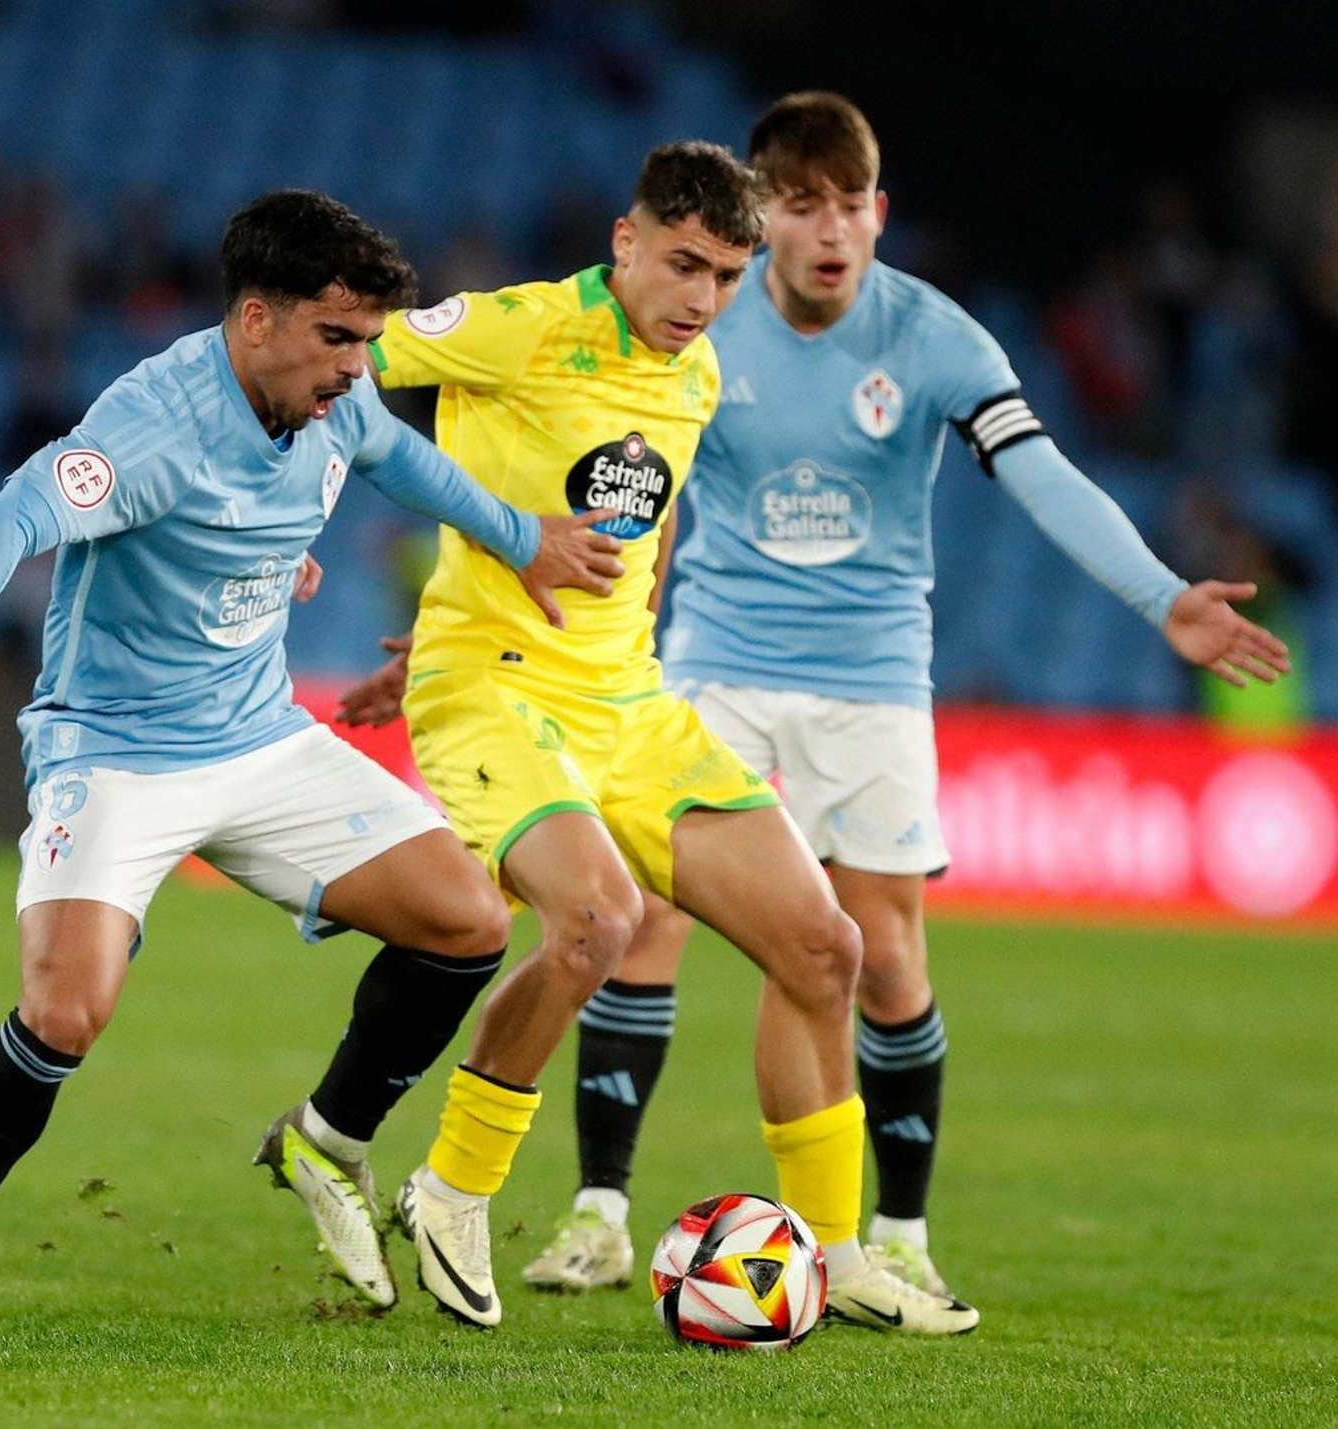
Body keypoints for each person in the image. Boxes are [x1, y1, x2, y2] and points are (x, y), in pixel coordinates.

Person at [509, 93, 1288, 1306]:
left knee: (872, 958)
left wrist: (1160, 596)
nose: (830, 231)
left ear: (881, 212)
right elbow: (612, 486)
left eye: (850, 206)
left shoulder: (936, 340)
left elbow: (1044, 476)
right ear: (762, 217)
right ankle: (599, 1212)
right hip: (716, 663)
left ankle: (896, 1240)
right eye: (802, 205)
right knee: (644, 924)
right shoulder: (697, 327)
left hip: (871, 680)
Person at [0, 189, 624, 1325]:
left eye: (367, 340)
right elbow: (4, 520)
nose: (358, 367)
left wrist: (524, 541)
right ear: (255, 319)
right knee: (66, 1012)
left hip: (259, 740)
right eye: (335, 337)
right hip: (114, 752)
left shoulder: (332, 405)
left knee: (467, 918)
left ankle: (327, 1140)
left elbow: (408, 463)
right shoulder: (152, 426)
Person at [306, 139, 981, 1335]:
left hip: (629, 705)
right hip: (494, 693)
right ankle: (453, 1188)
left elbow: (644, 539)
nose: (702, 300)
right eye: (683, 266)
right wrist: (486, 541)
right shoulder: (515, 327)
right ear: (626, 240)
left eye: (728, 274)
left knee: (827, 949)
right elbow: (329, 364)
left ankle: (831, 1250)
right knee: (597, 922)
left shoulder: (695, 374)